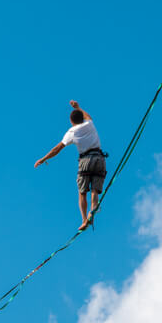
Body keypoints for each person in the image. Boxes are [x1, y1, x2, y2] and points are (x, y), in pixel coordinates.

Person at [34, 99, 107, 232]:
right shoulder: (90, 124)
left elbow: (57, 149)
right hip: (99, 158)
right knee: (95, 190)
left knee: (82, 192)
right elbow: (88, 116)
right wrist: (78, 107)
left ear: (71, 121)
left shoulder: (72, 132)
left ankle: (85, 219)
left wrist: (43, 158)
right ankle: (93, 211)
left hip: (85, 160)